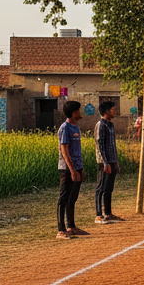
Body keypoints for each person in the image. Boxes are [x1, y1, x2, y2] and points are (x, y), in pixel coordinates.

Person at [56, 100, 88, 239]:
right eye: (78, 111)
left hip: (77, 168)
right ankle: (61, 230)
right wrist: (72, 170)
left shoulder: (76, 129)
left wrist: (80, 169)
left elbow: (77, 151)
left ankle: (71, 226)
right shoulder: (65, 128)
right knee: (64, 198)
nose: (79, 114)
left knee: (72, 199)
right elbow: (65, 151)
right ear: (73, 113)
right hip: (67, 169)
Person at [94, 100, 122, 225]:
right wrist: (105, 163)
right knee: (101, 188)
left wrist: (115, 162)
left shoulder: (110, 125)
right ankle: (98, 215)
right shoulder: (100, 125)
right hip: (103, 162)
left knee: (109, 189)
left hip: (112, 161)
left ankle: (108, 213)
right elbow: (101, 145)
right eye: (113, 109)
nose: (115, 111)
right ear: (106, 111)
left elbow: (112, 146)